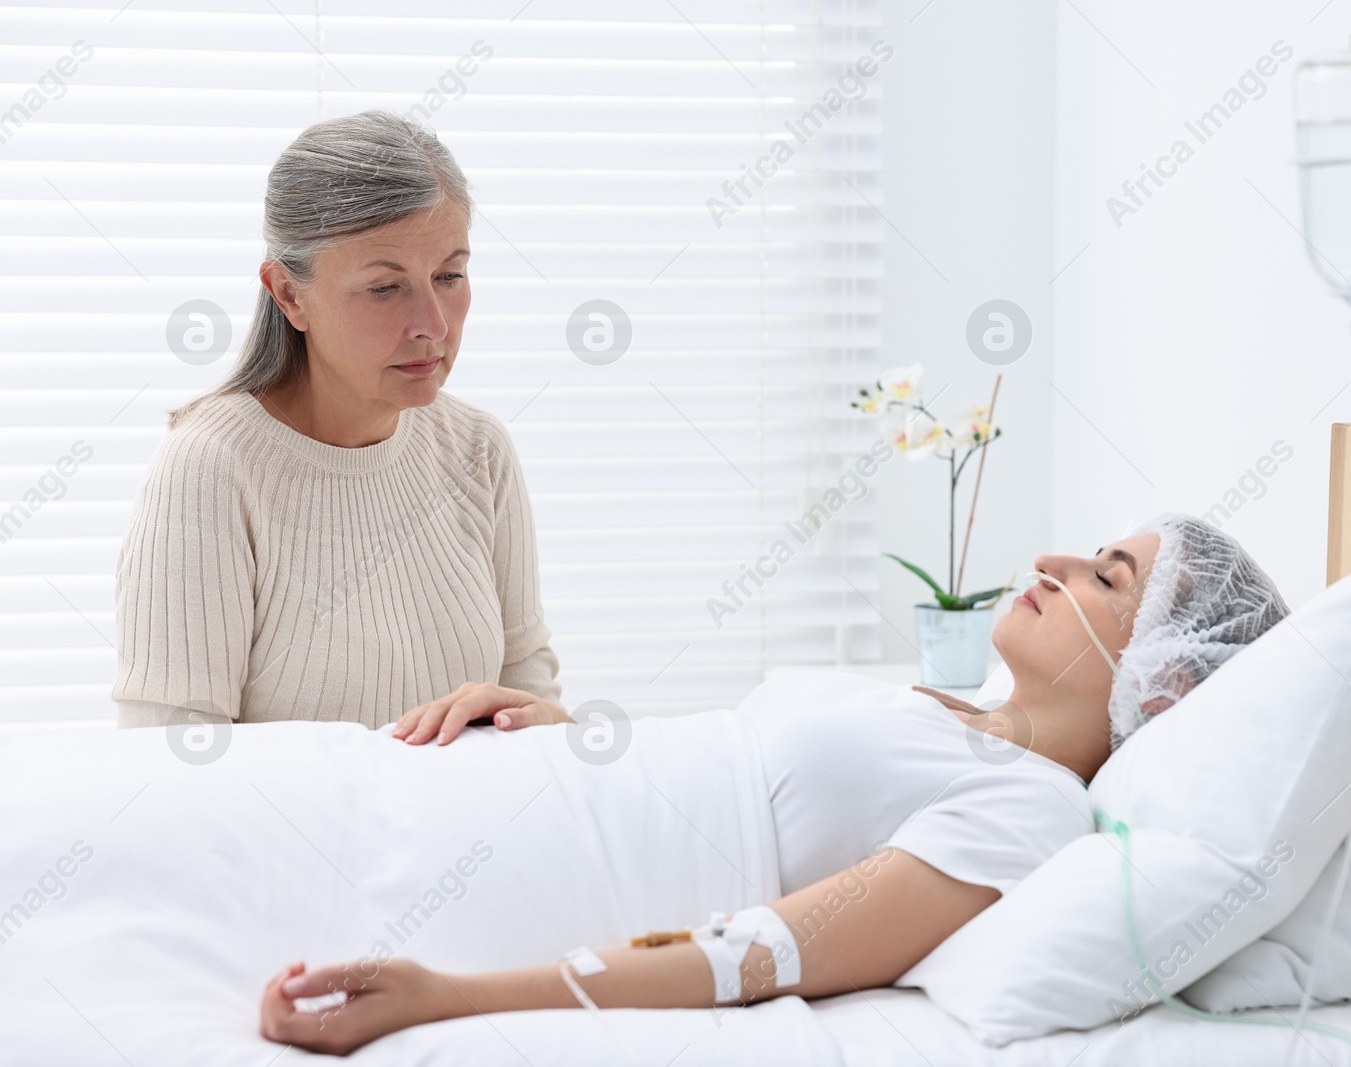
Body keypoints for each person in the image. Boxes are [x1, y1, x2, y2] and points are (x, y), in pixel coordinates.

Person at [258, 514, 1290, 1055]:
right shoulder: (943, 706)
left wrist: (449, 999)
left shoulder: (1031, 809)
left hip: (532, 872)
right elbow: (730, 764)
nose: (1053, 558)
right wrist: (565, 733)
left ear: (1165, 682)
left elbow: (760, 952)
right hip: (480, 783)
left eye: (1106, 577)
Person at [112, 110, 566, 734]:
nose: (432, 323)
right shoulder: (211, 467)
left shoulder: (478, 450)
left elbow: (538, 727)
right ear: (289, 295)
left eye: (450, 275)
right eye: (385, 287)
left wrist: (541, 722)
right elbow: (171, 772)